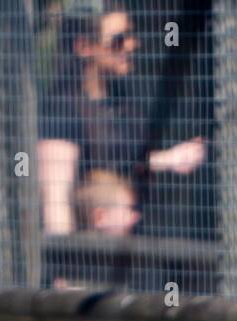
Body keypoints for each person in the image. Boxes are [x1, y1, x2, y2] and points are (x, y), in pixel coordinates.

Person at [36, 5, 206, 235]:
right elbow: (56, 203)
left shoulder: (122, 100)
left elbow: (121, 159)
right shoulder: (61, 109)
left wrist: (170, 158)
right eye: (118, 40)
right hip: (87, 251)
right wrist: (65, 263)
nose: (130, 45)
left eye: (130, 36)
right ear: (84, 47)